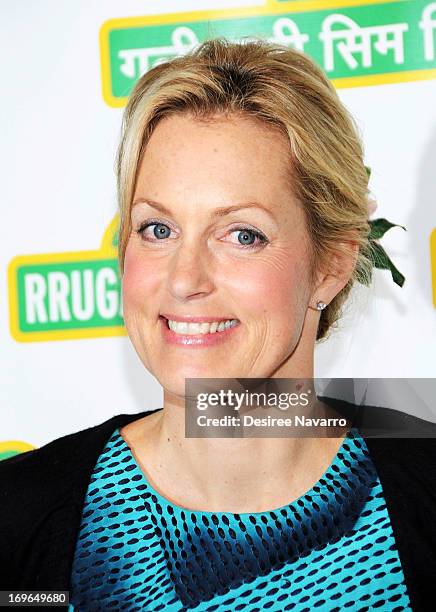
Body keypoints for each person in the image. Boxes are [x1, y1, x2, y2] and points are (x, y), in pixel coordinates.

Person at [1, 38, 436, 611]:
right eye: (158, 229)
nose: (185, 280)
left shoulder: (424, 492)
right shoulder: (20, 518)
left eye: (242, 235)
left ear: (330, 267)